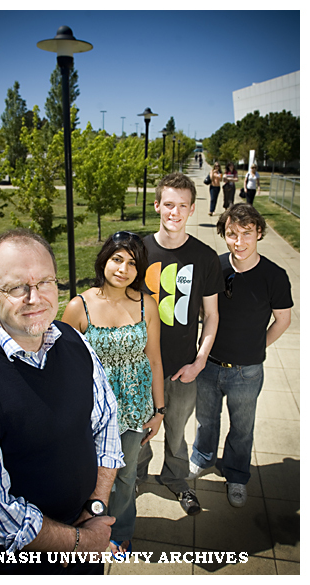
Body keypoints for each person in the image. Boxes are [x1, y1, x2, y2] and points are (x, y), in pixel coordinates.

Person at [0, 228, 124, 575]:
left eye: (45, 283)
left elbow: (107, 421)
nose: (35, 298)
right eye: (17, 287)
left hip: (86, 531)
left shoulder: (74, 341)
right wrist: (84, 542)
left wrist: (96, 505)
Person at [62, 231, 164, 557]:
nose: (123, 268)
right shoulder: (79, 307)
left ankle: (119, 530)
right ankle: (82, 528)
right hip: (90, 411)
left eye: (132, 263)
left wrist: (159, 410)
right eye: (117, 259)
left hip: (134, 409)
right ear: (104, 260)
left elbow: (155, 359)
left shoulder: (147, 305)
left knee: (124, 475)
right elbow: (63, 368)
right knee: (85, 474)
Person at [189, 204, 293, 507]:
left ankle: (236, 474)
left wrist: (257, 347)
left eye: (246, 234)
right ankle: (202, 457)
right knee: (206, 421)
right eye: (232, 234)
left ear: (258, 233)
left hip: (247, 372)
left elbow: (283, 320)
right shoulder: (215, 267)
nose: (239, 241)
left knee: (242, 428)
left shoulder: (274, 275)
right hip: (208, 365)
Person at [137, 172, 224, 516]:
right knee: (140, 431)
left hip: (183, 368)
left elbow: (212, 316)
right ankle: (135, 478)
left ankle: (176, 480)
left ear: (191, 210)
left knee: (176, 432)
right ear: (157, 205)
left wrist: (199, 361)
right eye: (168, 204)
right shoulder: (138, 251)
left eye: (182, 206)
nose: (174, 212)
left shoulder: (204, 257)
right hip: (141, 368)